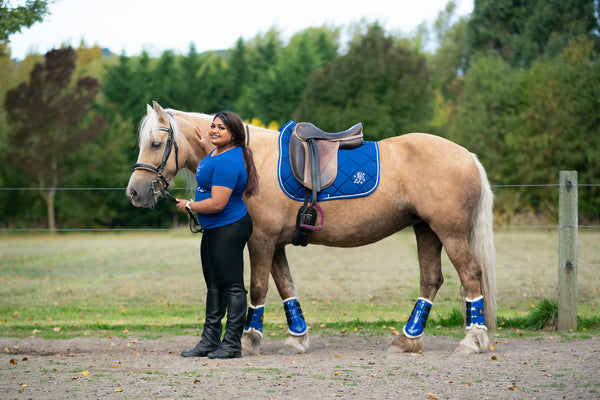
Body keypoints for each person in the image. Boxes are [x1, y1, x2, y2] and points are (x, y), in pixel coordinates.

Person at [175, 111, 258, 359]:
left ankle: (232, 344)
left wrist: (189, 205)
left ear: (234, 134)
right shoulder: (218, 153)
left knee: (232, 287)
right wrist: (205, 146)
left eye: (221, 128)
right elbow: (209, 167)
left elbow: (217, 203)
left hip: (228, 227)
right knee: (213, 286)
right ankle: (210, 341)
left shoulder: (229, 161)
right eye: (213, 126)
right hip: (214, 229)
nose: (214, 130)